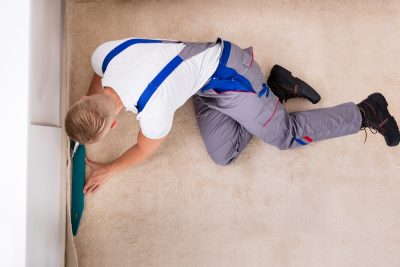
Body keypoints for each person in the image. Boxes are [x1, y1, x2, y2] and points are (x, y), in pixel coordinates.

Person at [65, 37, 400, 194]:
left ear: (112, 125)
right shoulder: (106, 55)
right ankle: (278, 89)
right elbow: (98, 74)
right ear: (84, 98)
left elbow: (143, 149)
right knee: (223, 154)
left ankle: (365, 112)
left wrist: (109, 169)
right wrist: (95, 104)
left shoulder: (154, 111)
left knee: (283, 136)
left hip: (233, 74)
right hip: (201, 86)